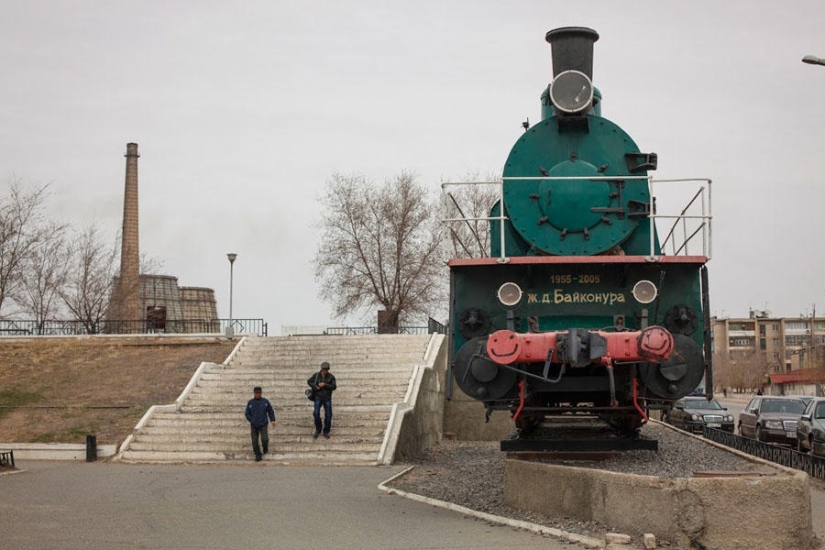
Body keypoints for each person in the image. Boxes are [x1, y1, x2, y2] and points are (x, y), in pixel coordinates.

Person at [245, 386, 276, 462]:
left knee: (265, 439)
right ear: (254, 393)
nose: (258, 394)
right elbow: (247, 413)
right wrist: (252, 420)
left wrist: (273, 420)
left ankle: (265, 448)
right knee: (254, 441)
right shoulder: (250, 402)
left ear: (261, 393)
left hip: (263, 424)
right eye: (256, 393)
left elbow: (270, 411)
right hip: (254, 425)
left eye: (259, 393)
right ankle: (258, 454)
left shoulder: (265, 402)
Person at [307, 361, 337, 439]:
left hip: (327, 398)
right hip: (318, 397)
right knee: (316, 413)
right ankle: (318, 429)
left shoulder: (331, 377)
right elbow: (309, 381)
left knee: (329, 415)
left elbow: (334, 386)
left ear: (328, 369)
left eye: (326, 369)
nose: (325, 371)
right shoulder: (316, 375)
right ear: (321, 369)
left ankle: (326, 431)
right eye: (323, 369)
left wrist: (325, 384)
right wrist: (315, 386)